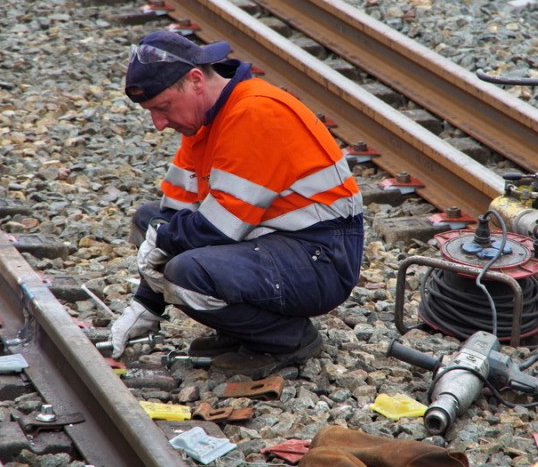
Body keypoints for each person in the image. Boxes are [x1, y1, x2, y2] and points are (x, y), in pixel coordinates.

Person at [109, 30, 364, 379]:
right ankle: (241, 330)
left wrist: (162, 246)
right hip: (275, 240)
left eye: (163, 107)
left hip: (322, 257)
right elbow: (171, 216)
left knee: (186, 274)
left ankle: (287, 339)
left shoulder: (254, 112)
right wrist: (147, 302)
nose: (159, 123)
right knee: (147, 221)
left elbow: (218, 226)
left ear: (196, 80)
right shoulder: (203, 125)